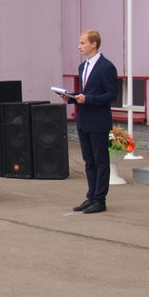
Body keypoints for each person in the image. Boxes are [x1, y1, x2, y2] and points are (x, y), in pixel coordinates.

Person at [62, 30, 118, 215]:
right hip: (84, 119)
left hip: (99, 121)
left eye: (82, 42)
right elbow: (84, 92)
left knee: (101, 161)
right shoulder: (82, 66)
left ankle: (100, 199)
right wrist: (71, 98)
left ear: (94, 44)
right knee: (88, 161)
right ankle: (91, 195)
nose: (79, 46)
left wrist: (89, 99)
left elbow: (111, 94)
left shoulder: (106, 67)